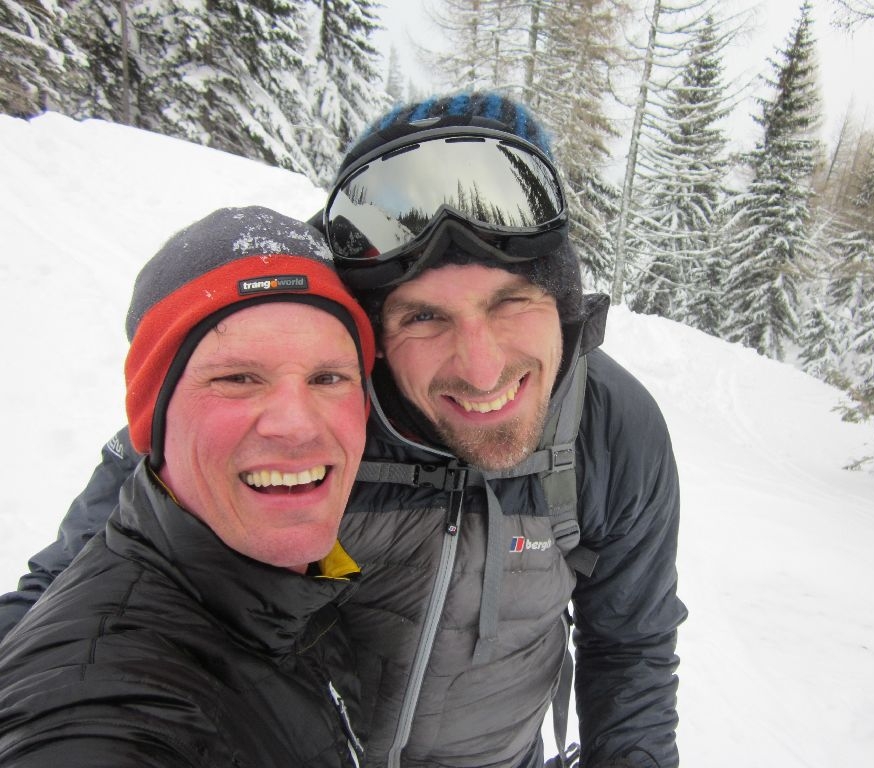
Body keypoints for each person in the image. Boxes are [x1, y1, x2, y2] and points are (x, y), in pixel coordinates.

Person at [0, 93, 688, 768]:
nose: (482, 371)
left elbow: (631, 645)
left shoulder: (609, 429)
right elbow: (73, 600)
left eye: (512, 301)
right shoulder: (309, 412)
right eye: (424, 317)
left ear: (562, 304)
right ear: (377, 336)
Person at [0, 206, 377, 767]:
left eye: (328, 377)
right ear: (153, 423)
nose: (298, 425)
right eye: (237, 378)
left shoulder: (298, 591)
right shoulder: (96, 699)